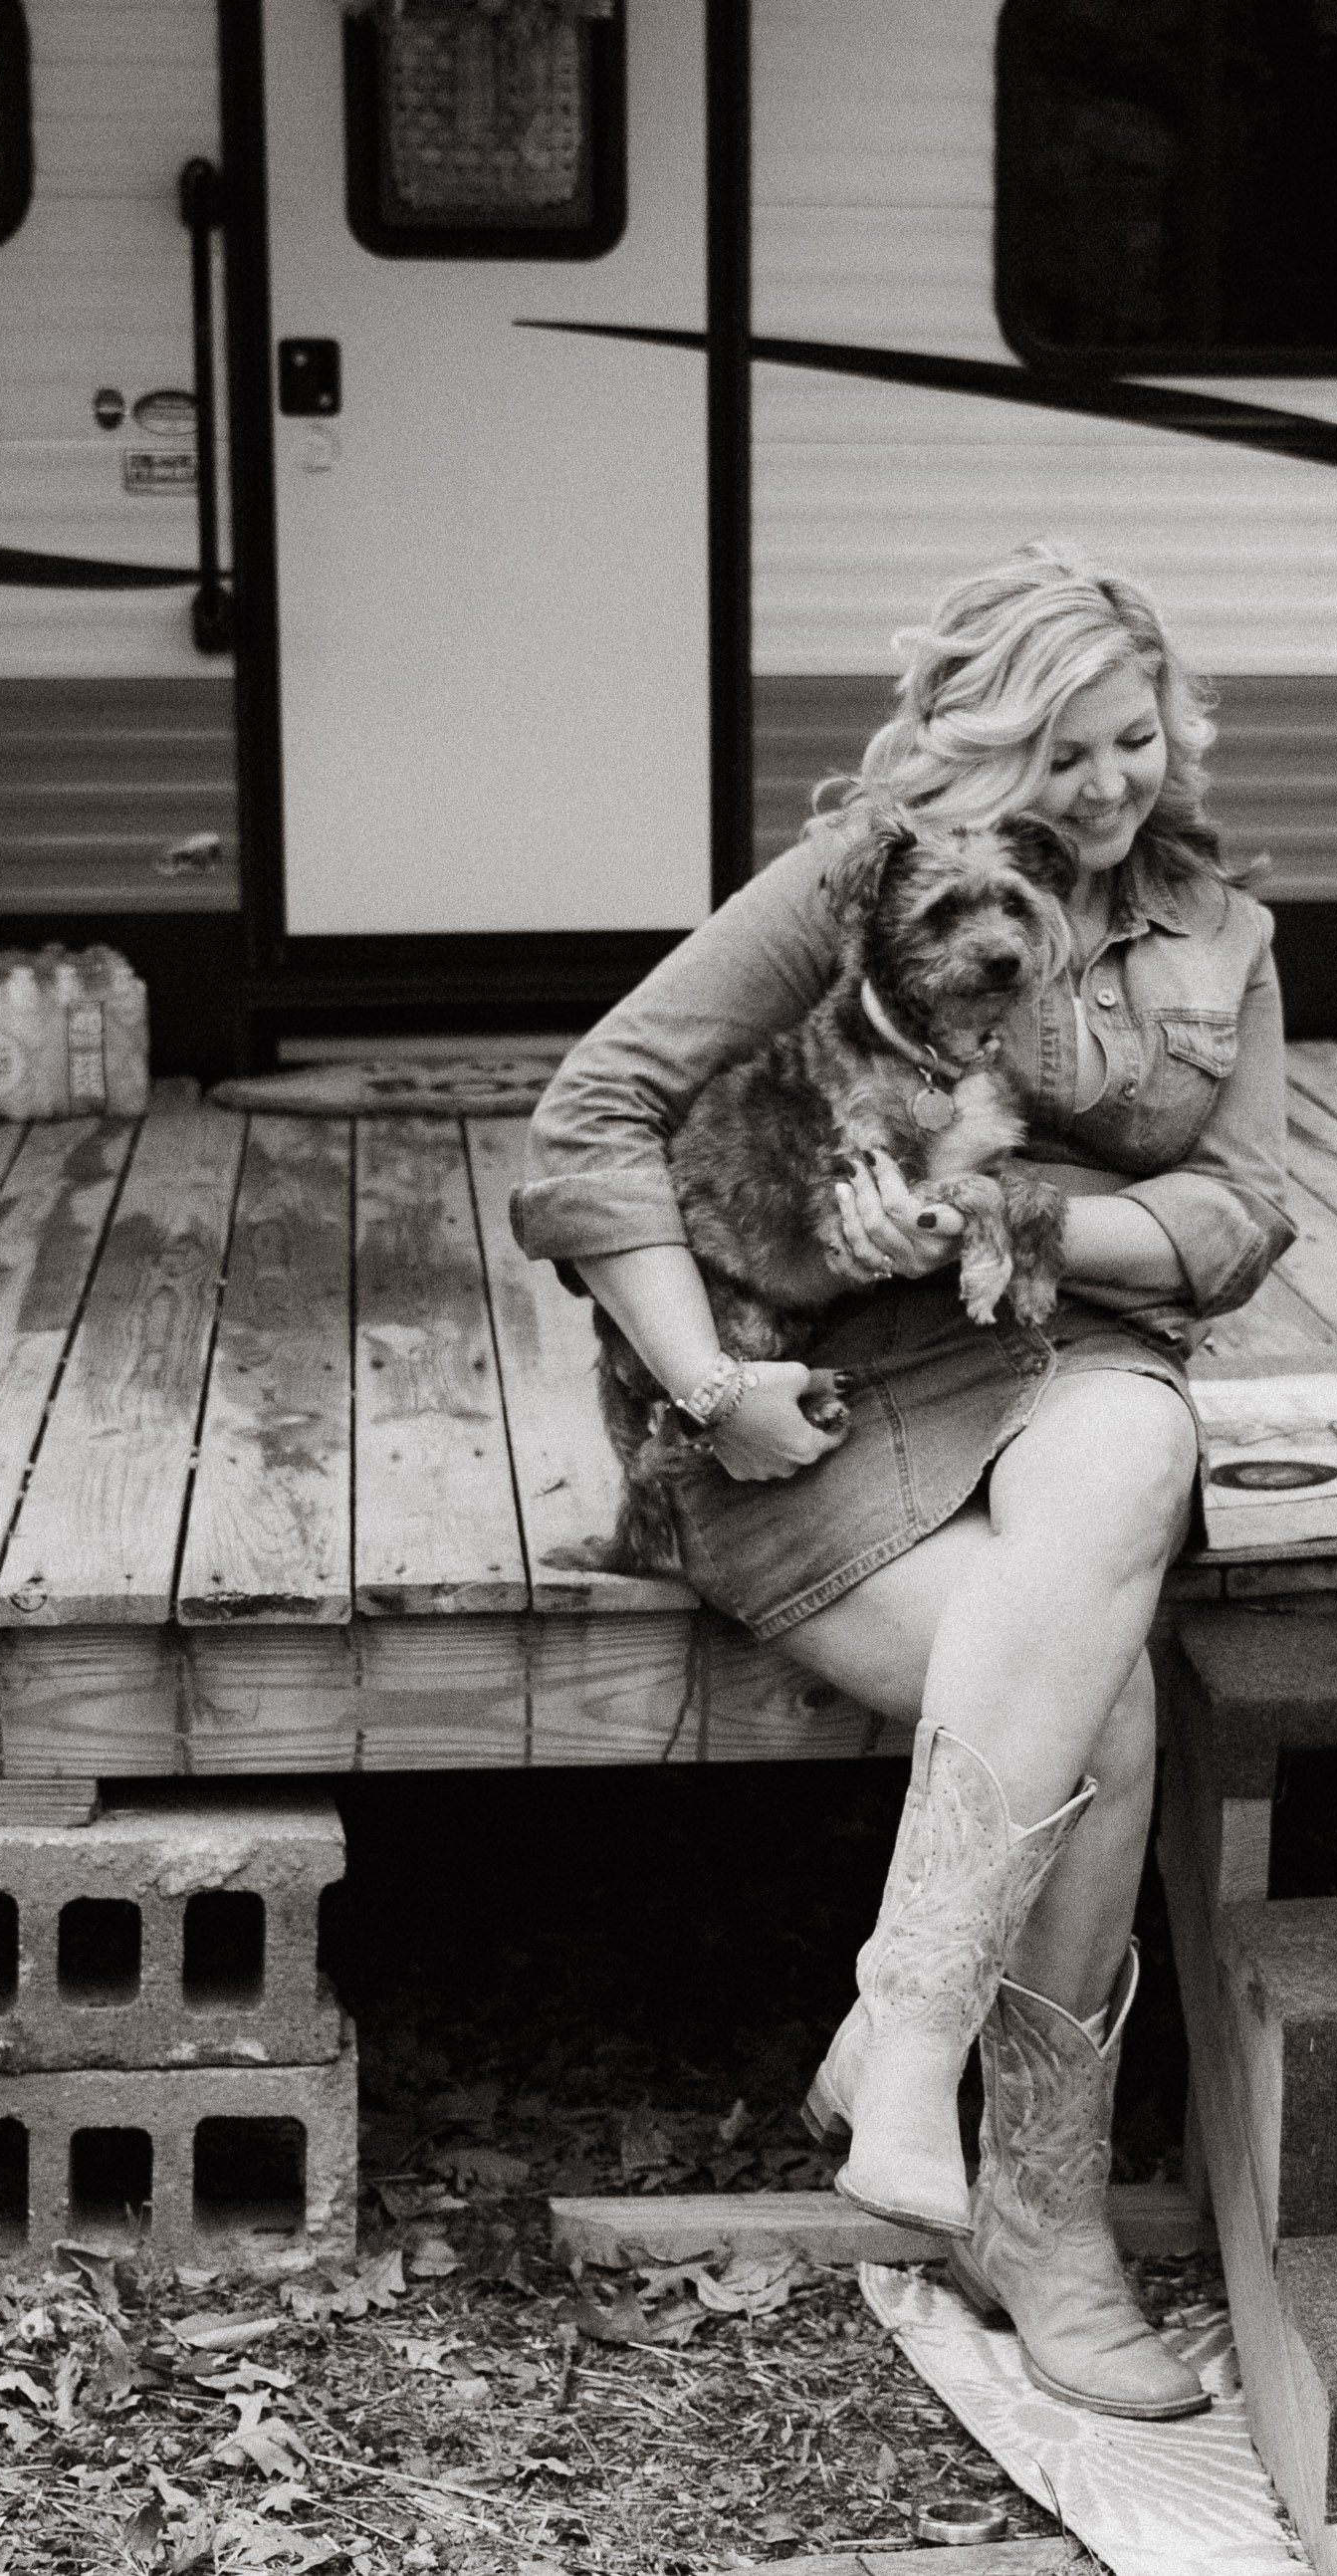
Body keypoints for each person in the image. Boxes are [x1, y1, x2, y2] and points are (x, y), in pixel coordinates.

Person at [511, 545, 1290, 2418]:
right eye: (1065, 751)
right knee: (1097, 1717)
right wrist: (712, 1382)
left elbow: (1247, 1211)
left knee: (1145, 1426)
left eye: (1137, 736)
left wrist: (1023, 1213)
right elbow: (588, 1115)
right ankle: (1038, 2215)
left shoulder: (1217, 928)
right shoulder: (861, 876)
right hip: (808, 1402)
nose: (1110, 787)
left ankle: (907, 2035)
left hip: (1041, 1355)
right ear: (978, 739)